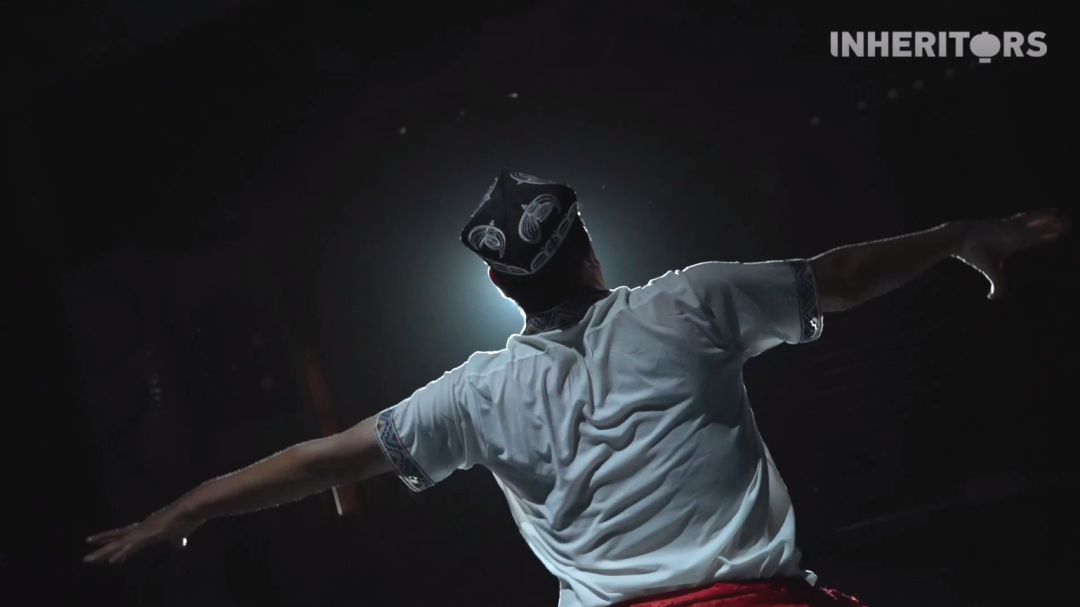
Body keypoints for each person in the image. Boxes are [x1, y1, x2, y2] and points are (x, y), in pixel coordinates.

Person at [85, 170, 1069, 607]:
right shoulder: (690, 304)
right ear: (589, 245)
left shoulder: (472, 396)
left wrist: (189, 505)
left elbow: (321, 461)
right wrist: (954, 237)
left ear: (497, 282)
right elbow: (841, 276)